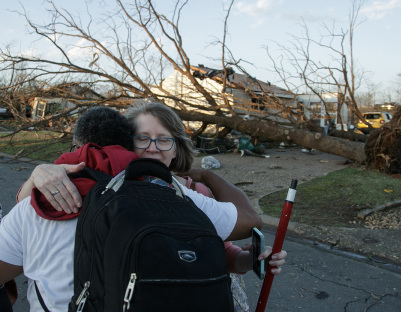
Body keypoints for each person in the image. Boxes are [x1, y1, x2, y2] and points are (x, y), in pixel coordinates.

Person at [3, 106, 254, 311]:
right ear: (126, 144)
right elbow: (248, 220)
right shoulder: (182, 198)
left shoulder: (42, 203)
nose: (153, 148)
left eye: (164, 140)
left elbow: (226, 253)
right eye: (142, 138)